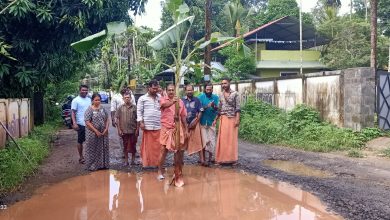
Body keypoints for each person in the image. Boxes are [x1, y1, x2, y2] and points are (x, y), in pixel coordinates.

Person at [158, 84, 187, 187]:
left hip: (177, 128)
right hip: (166, 128)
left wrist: (186, 129)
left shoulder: (180, 102)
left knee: (178, 151)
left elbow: (183, 117)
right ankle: (160, 171)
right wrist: (172, 102)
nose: (171, 92)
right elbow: (164, 106)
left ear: (175, 91)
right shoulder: (163, 99)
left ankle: (177, 172)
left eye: (172, 90)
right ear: (166, 91)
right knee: (163, 150)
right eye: (169, 90)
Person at [215, 77, 240, 165]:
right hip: (223, 118)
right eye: (222, 84)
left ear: (229, 83)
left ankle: (233, 159)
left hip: (232, 118)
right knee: (223, 140)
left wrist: (237, 119)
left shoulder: (235, 94)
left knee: (231, 139)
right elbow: (219, 108)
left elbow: (238, 108)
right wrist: (216, 119)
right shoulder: (221, 94)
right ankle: (221, 159)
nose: (223, 85)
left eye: (225, 83)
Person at [137, 80, 161, 168]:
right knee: (147, 146)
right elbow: (139, 111)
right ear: (149, 88)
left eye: (157, 88)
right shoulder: (142, 98)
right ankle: (147, 163)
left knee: (158, 146)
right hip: (147, 126)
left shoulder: (160, 97)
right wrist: (141, 122)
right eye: (154, 88)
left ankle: (158, 163)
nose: (155, 90)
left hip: (159, 125)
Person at [84, 93, 110, 171]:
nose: (98, 101)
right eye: (96, 100)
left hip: (103, 133)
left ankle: (103, 165)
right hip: (92, 134)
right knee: (93, 149)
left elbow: (107, 119)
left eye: (99, 100)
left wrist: (106, 129)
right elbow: (87, 122)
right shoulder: (89, 109)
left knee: (103, 148)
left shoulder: (102, 108)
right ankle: (92, 166)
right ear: (92, 100)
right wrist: (96, 131)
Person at [182, 84, 204, 165]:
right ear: (185, 91)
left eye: (191, 90)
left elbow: (201, 111)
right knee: (182, 142)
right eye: (188, 90)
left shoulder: (197, 100)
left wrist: (196, 121)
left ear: (193, 90)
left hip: (195, 123)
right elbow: (179, 113)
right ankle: (180, 160)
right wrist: (185, 125)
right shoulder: (181, 101)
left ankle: (202, 160)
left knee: (198, 141)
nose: (190, 91)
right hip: (184, 124)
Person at [111, 87, 136, 158]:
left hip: (131, 123)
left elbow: (135, 109)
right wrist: (113, 120)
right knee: (122, 138)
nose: (124, 89)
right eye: (123, 87)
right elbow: (113, 109)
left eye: (126, 87)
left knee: (133, 140)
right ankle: (123, 152)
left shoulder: (132, 96)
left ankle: (133, 153)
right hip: (121, 121)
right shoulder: (115, 97)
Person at [198, 83, 219, 165]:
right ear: (205, 90)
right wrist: (207, 106)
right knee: (204, 141)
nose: (209, 91)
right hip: (202, 122)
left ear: (212, 90)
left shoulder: (216, 98)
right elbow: (199, 109)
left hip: (212, 122)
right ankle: (203, 159)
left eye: (210, 90)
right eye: (207, 90)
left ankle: (210, 159)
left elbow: (218, 109)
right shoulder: (200, 97)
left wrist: (214, 106)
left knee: (211, 140)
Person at [116, 93, 138, 166]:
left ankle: (133, 160)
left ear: (131, 98)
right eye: (125, 97)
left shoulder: (135, 107)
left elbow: (138, 119)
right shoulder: (120, 107)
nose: (127, 99)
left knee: (133, 145)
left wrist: (137, 130)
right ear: (123, 99)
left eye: (128, 97)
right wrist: (119, 129)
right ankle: (126, 161)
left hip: (133, 130)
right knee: (125, 146)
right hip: (124, 131)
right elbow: (117, 119)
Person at [71, 85, 92, 164]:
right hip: (81, 124)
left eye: (86, 90)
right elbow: (73, 112)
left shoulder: (89, 100)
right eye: (83, 90)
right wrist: (74, 123)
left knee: (90, 141)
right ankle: (81, 157)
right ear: (79, 90)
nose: (84, 92)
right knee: (80, 141)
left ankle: (89, 156)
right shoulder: (75, 100)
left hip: (90, 124)